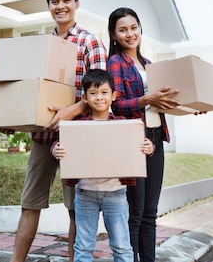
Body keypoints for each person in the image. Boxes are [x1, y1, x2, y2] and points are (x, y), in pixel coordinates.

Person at [9, 0, 107, 262]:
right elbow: (28, 88)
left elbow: (101, 93)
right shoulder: (43, 45)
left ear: (77, 3)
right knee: (29, 204)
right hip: (43, 136)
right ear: (49, 7)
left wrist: (73, 110)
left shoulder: (90, 42)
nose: (60, 6)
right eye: (55, 1)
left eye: (66, 0)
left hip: (77, 136)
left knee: (76, 207)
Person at [51, 69, 154, 262]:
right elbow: (60, 143)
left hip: (115, 193)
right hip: (85, 193)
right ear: (85, 97)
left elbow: (142, 143)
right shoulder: (77, 125)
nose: (99, 97)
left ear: (114, 96)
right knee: (83, 246)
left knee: (121, 246)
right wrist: (56, 149)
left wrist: (149, 147)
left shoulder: (123, 124)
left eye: (104, 92)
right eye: (93, 93)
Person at [106, 7, 180, 262]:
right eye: (123, 30)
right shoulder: (115, 63)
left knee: (151, 211)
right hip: (134, 139)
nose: (130, 34)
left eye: (134, 27)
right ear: (114, 35)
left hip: (156, 137)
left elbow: (166, 102)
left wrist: (194, 107)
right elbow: (114, 105)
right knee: (135, 211)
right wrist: (144, 99)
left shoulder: (148, 64)